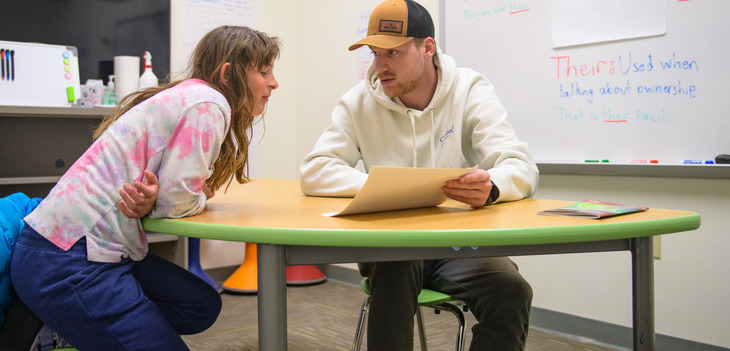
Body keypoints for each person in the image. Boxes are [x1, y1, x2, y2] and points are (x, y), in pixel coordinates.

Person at [11, 25, 281, 350]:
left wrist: (166, 198)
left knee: (200, 305)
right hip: (69, 259)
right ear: (227, 73)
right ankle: (56, 328)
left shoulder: (190, 94)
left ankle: (76, 325)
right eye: (264, 72)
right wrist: (180, 198)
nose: (273, 83)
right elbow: (176, 202)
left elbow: (170, 194)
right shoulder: (208, 104)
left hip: (75, 249)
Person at [299, 1, 539, 350]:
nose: (379, 66)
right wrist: (386, 188)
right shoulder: (357, 103)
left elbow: (520, 163)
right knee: (400, 260)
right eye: (374, 53)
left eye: (392, 53)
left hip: (456, 244)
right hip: (388, 244)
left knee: (512, 290)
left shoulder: (470, 89)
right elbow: (315, 169)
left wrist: (492, 186)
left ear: (427, 48)